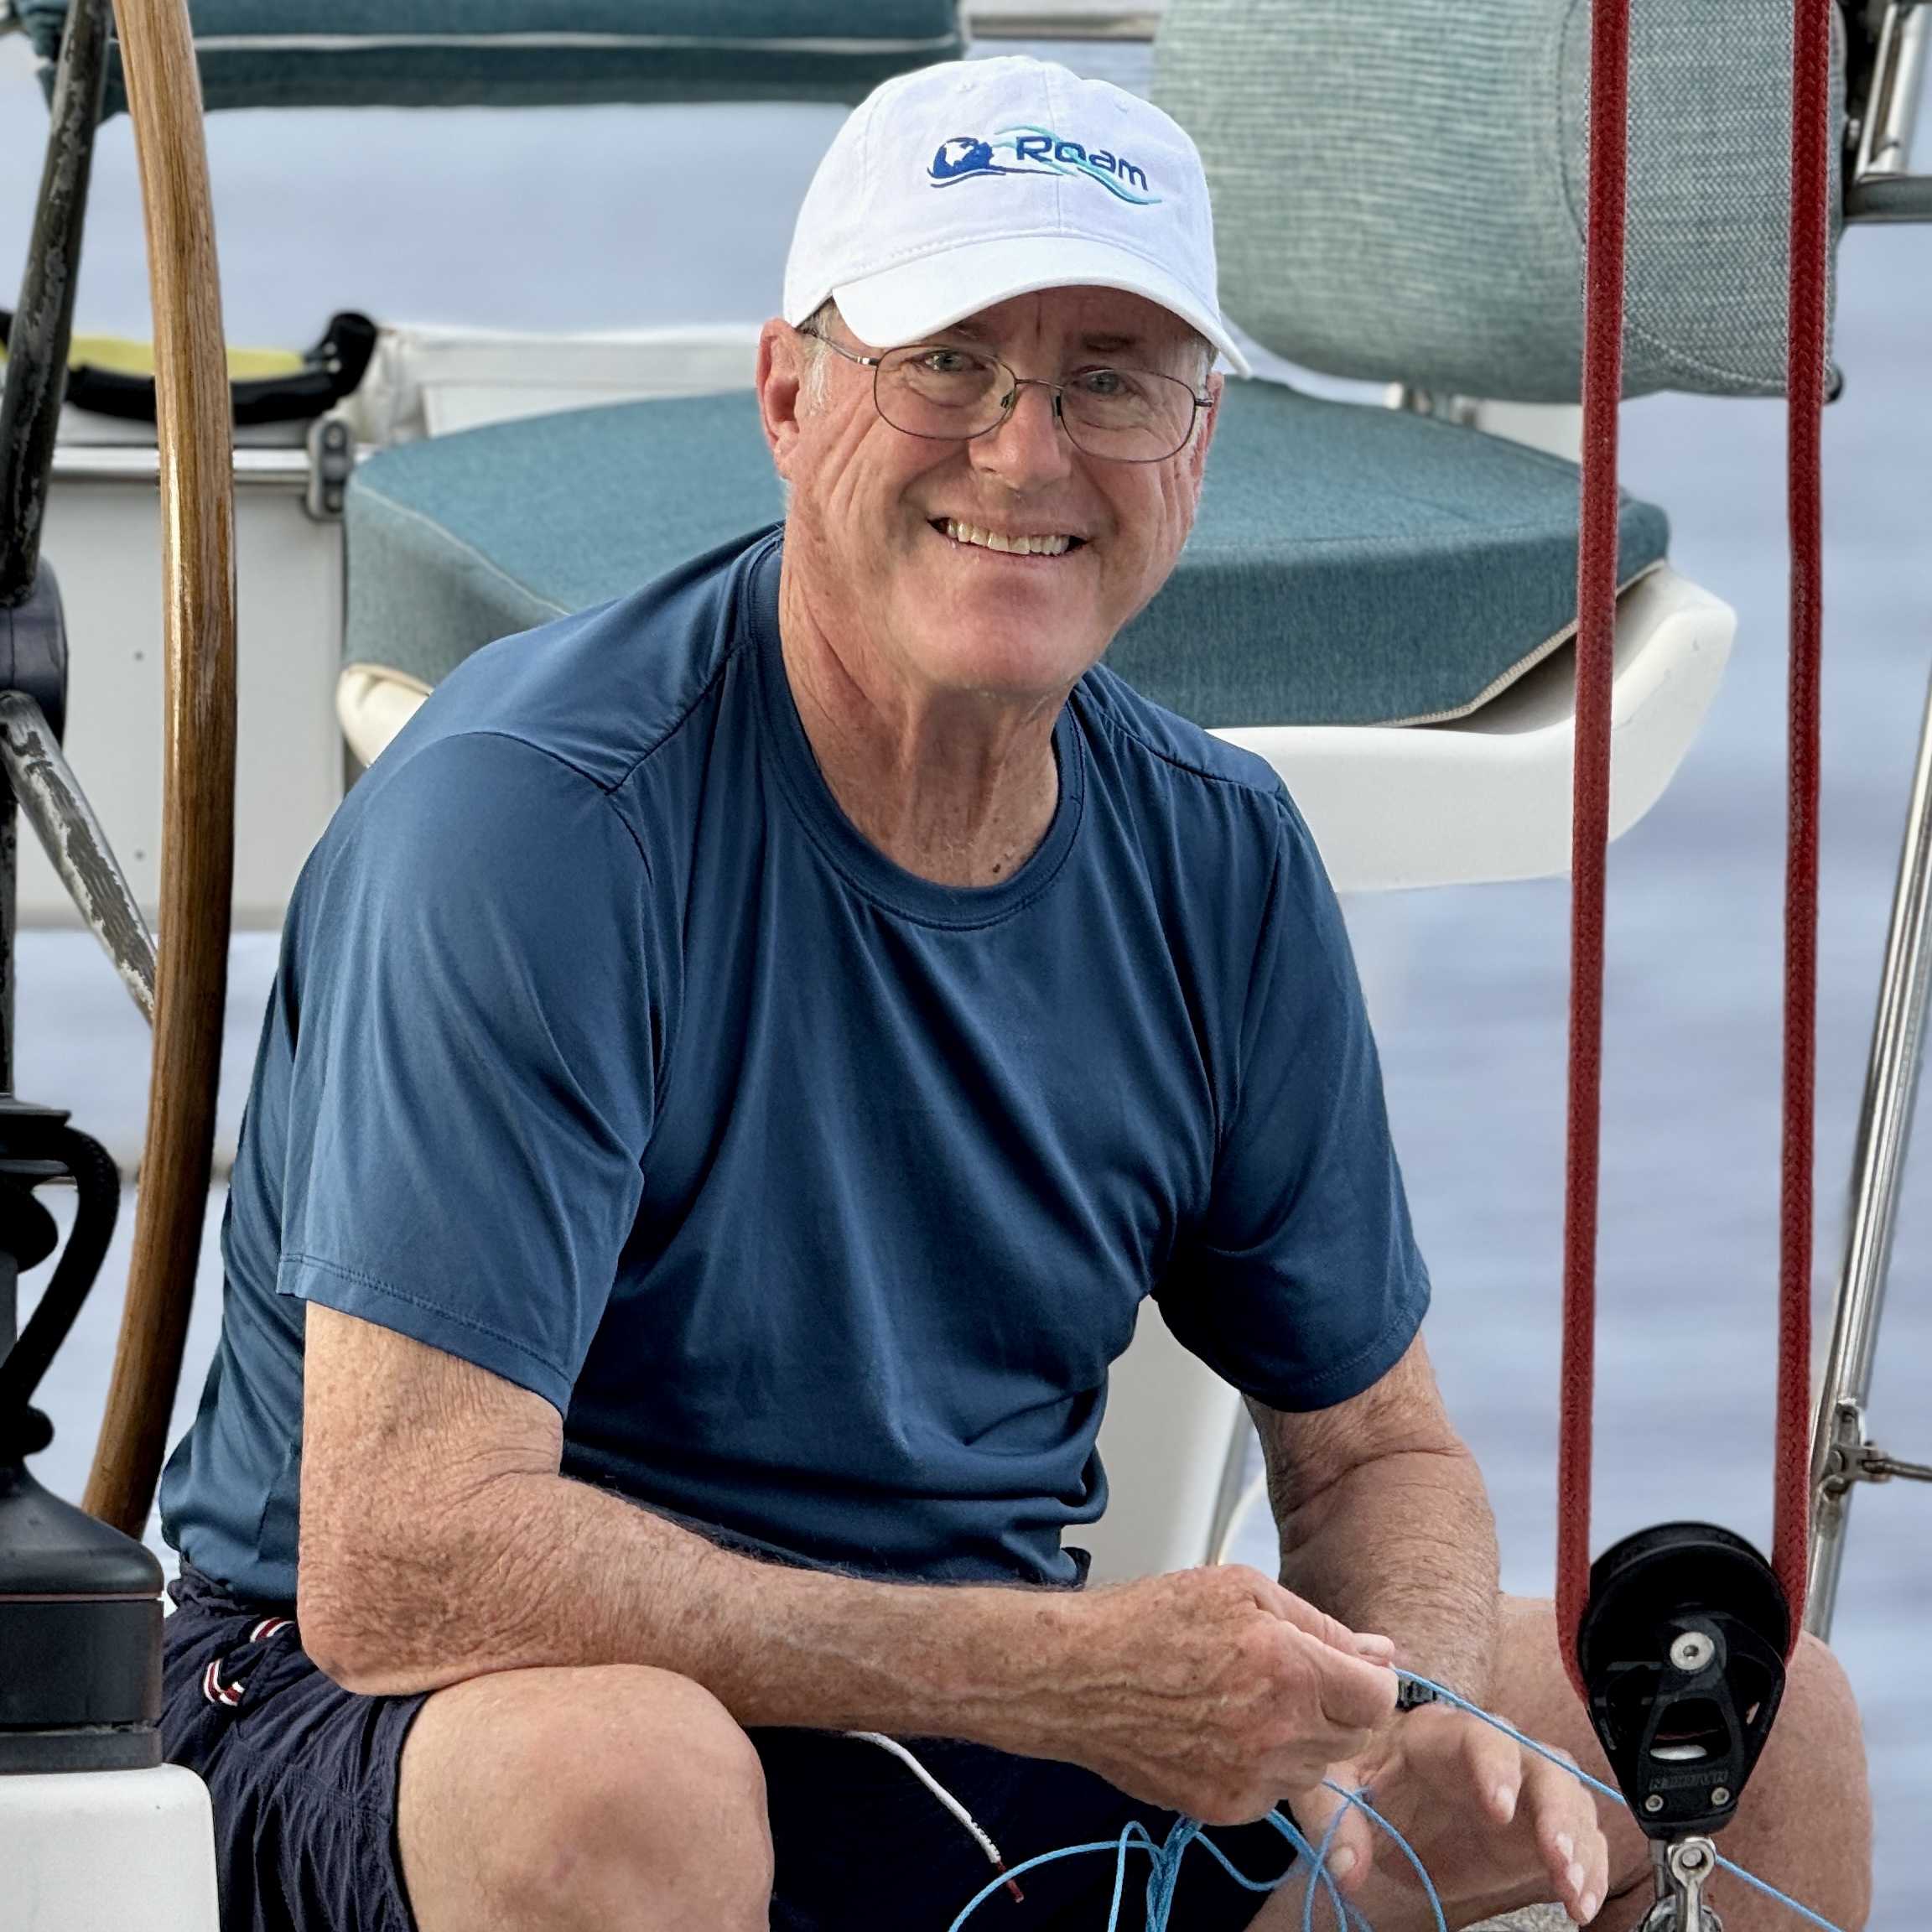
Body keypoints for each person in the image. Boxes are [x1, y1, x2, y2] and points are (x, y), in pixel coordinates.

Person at [154, 55, 1870, 1932]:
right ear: (790, 396)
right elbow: (405, 1562)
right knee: (630, 1792)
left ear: (1197, 449)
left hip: (965, 1737)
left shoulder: (1221, 855)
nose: (1025, 451)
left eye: (1109, 382)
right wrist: (1058, 1679)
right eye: (949, 363)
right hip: (410, 1713)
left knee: (1760, 1724)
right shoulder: (534, 825)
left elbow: (1376, 1450)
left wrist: (1407, 1704)